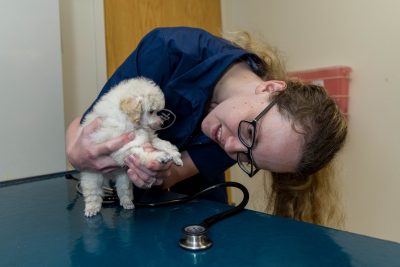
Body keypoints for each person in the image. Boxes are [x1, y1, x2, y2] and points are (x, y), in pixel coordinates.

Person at [66, 27, 347, 227]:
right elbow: (91, 127)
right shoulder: (170, 50)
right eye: (250, 132)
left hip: (194, 204)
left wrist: (154, 170)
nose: (231, 147)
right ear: (270, 88)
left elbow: (168, 177)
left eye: (245, 158)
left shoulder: (243, 145)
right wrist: (78, 151)